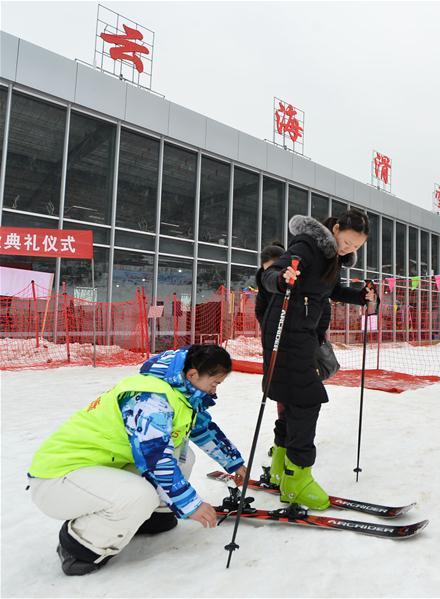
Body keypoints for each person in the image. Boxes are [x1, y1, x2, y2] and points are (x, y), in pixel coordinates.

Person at [27, 345, 246, 576]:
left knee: (183, 455)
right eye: (215, 382)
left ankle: (151, 516)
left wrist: (234, 463)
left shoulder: (180, 393)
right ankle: (79, 543)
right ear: (192, 374)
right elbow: (155, 457)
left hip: (98, 467)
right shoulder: (150, 398)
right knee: (140, 494)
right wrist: (190, 504)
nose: (215, 389)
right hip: (58, 477)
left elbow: (202, 428)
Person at [259, 210, 376, 510]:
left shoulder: (331, 258)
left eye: (355, 247)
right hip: (285, 332)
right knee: (306, 399)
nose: (349, 249)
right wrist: (283, 280)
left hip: (304, 333)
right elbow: (267, 276)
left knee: (291, 396)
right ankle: (297, 479)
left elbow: (331, 289)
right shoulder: (307, 246)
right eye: (347, 241)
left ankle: (280, 470)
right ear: (335, 229)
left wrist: (360, 296)